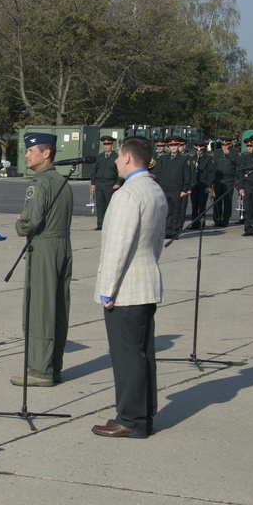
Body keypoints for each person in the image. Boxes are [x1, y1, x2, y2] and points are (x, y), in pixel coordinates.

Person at [92, 136, 167, 438]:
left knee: (127, 356)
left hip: (126, 287)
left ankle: (131, 419)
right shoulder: (154, 188)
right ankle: (142, 414)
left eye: (118, 156)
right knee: (142, 353)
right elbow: (156, 241)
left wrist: (107, 290)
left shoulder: (127, 194)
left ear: (126, 158)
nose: (114, 162)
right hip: (146, 279)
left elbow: (118, 247)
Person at [12, 132, 73, 387]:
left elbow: (30, 222)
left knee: (39, 308)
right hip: (62, 245)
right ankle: (53, 366)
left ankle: (39, 369)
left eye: (31, 150)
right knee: (58, 307)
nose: (26, 154)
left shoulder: (39, 183)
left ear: (46, 153)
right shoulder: (62, 181)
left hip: (45, 246)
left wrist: (19, 223)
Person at [90, 135, 122, 230]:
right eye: (104, 144)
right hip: (100, 184)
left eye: (108, 144)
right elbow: (94, 171)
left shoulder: (116, 157)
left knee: (109, 206)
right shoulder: (99, 157)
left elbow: (120, 171)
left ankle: (109, 224)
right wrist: (93, 183)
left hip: (110, 184)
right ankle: (100, 224)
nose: (106, 146)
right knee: (100, 206)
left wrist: (118, 183)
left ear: (112, 145)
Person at [212, 135, 239, 227]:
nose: (224, 146)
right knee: (217, 200)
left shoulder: (235, 153)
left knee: (227, 201)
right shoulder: (217, 152)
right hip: (218, 179)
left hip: (229, 180)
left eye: (226, 144)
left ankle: (225, 220)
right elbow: (213, 165)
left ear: (230, 144)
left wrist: (228, 154)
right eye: (222, 144)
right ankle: (217, 219)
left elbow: (238, 163)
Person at [187, 141, 214, 230]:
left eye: (200, 150)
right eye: (197, 150)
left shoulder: (208, 158)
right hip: (194, 184)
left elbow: (211, 173)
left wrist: (209, 186)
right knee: (194, 204)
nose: (199, 152)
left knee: (202, 205)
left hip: (204, 183)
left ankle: (202, 223)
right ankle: (194, 223)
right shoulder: (192, 158)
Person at [241, 136, 253, 236]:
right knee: (248, 207)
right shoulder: (246, 157)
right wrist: (241, 187)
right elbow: (241, 172)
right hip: (247, 184)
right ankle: (248, 228)